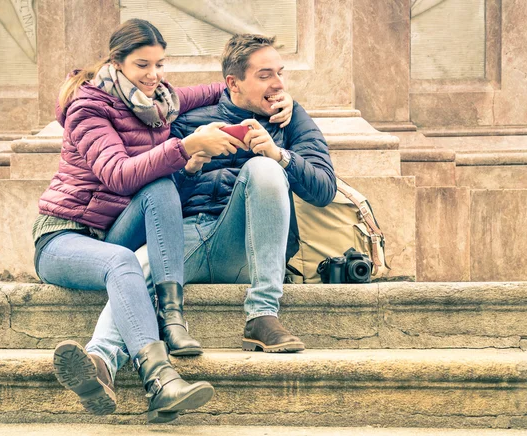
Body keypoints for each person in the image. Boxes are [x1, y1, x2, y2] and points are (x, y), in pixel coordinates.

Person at [33, 21, 293, 422]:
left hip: (113, 231)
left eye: (159, 64)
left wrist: (284, 100)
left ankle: (172, 318)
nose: (153, 75)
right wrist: (185, 146)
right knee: (124, 262)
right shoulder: (90, 108)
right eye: (142, 65)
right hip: (66, 236)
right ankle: (158, 379)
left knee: (160, 189)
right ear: (116, 63)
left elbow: (224, 89)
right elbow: (117, 174)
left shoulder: (161, 100)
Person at [84, 32, 337, 396]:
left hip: (249, 246)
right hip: (191, 239)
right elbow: (159, 192)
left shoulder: (290, 119)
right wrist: (190, 166)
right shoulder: (190, 120)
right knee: (136, 264)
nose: (278, 84)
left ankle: (263, 315)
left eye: (280, 73)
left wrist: (280, 156)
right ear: (233, 83)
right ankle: (101, 362)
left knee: (264, 171)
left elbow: (324, 189)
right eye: (265, 75)